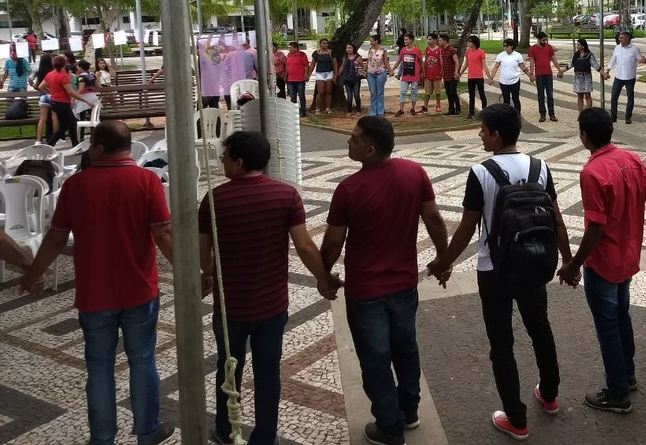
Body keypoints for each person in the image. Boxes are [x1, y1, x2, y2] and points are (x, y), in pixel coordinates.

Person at [19, 120, 175, 445]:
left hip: (94, 296)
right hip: (139, 291)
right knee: (143, 360)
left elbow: (56, 238)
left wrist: (35, 272)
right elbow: (162, 234)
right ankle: (148, 431)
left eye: (92, 145)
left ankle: (102, 439)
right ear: (128, 147)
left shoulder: (77, 186)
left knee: (99, 369)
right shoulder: (147, 181)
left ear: (99, 148)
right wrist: (194, 273)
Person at [426, 104, 572, 440]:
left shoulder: (481, 172)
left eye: (482, 130)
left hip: (494, 269)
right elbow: (557, 218)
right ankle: (549, 396)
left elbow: (466, 228)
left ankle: (516, 420)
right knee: (540, 328)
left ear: (495, 135)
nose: (479, 134)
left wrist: (444, 261)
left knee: (501, 343)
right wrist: (567, 260)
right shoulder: (540, 166)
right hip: (535, 262)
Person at [199, 131, 340, 445]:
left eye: (224, 157)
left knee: (228, 369)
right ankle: (264, 438)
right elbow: (304, 246)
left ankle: (224, 430)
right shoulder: (286, 195)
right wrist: (324, 279)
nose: (221, 161)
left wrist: (208, 274)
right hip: (272, 307)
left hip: (230, 308)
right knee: (267, 373)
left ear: (238, 162)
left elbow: (204, 255)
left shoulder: (214, 199)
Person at [321, 117, 450, 445]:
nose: (347, 143)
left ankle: (390, 427)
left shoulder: (348, 190)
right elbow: (433, 217)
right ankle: (409, 411)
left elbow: (334, 242)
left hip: (366, 293)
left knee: (375, 358)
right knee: (406, 349)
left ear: (370, 148)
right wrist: (443, 258)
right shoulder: (414, 173)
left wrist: (325, 274)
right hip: (405, 285)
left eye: (352, 139)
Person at [557, 109, 646, 413]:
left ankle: (618, 393)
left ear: (584, 136)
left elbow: (596, 226)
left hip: (604, 262)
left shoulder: (592, 173)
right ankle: (627, 375)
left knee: (608, 326)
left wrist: (573, 264)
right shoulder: (631, 159)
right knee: (621, 317)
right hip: (628, 257)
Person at [42, 54, 92, 147]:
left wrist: (51, 93)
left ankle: (75, 144)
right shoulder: (63, 76)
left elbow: (41, 86)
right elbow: (71, 92)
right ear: (64, 64)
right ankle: (49, 145)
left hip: (54, 102)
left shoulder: (50, 74)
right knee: (63, 127)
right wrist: (87, 101)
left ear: (53, 64)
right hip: (63, 104)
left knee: (72, 123)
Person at [603, 30, 645, 125]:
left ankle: (628, 116)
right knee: (614, 96)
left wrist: (643, 59)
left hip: (630, 77)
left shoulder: (635, 49)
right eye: (619, 38)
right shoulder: (617, 48)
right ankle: (613, 116)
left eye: (621, 38)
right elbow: (613, 60)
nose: (619, 39)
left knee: (630, 97)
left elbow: (639, 58)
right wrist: (607, 70)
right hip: (618, 76)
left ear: (627, 39)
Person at [526, 31, 563, 122]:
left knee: (550, 94)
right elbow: (532, 61)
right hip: (539, 74)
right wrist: (531, 73)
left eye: (546, 40)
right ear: (538, 39)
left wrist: (559, 69)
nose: (545, 42)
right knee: (541, 95)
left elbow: (553, 59)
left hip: (548, 73)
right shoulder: (533, 49)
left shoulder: (549, 47)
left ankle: (552, 113)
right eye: (543, 40)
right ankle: (542, 113)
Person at [489, 38, 528, 114]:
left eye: (507, 46)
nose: (505, 47)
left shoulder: (517, 55)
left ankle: (517, 114)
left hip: (515, 81)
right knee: (506, 100)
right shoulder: (501, 55)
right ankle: (506, 115)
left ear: (512, 46)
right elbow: (496, 67)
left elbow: (523, 66)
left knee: (515, 98)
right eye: (504, 46)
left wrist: (530, 75)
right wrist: (491, 77)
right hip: (504, 81)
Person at [459, 35, 490, 120]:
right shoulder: (468, 52)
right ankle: (471, 113)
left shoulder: (481, 52)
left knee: (481, 94)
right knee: (471, 96)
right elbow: (466, 64)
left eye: (470, 42)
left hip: (479, 76)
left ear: (474, 43)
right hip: (470, 77)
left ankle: (484, 112)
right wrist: (460, 73)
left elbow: (484, 65)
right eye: (468, 41)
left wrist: (489, 77)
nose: (468, 43)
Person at [392, 33, 423, 116]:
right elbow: (399, 61)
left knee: (414, 91)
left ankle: (413, 108)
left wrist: (422, 72)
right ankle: (401, 109)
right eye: (404, 39)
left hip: (415, 75)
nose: (405, 41)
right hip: (405, 75)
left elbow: (421, 62)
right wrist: (392, 69)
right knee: (403, 91)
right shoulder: (403, 50)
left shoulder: (417, 50)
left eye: (406, 39)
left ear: (411, 40)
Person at [570, 37, 602, 112]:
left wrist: (603, 73)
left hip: (586, 77)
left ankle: (589, 113)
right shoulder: (575, 55)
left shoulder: (589, 55)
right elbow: (570, 64)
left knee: (587, 95)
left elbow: (595, 65)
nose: (577, 46)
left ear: (583, 46)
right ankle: (581, 113)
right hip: (578, 77)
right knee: (579, 96)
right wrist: (561, 71)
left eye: (578, 45)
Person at [32, 52, 57, 142]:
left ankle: (38, 139)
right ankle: (55, 138)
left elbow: (37, 86)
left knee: (42, 119)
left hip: (43, 96)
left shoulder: (40, 74)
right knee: (54, 117)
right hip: (52, 95)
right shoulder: (53, 72)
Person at [365, 36, 392, 116]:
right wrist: (365, 69)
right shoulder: (370, 50)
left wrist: (390, 70)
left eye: (372, 41)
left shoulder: (383, 50)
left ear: (376, 41)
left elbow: (385, 61)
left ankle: (380, 111)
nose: (370, 42)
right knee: (373, 93)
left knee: (380, 93)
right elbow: (368, 60)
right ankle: (373, 111)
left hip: (381, 72)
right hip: (370, 73)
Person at [308, 38, 336, 114]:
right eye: (323, 43)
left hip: (329, 72)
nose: (325, 45)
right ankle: (318, 108)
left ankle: (328, 108)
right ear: (320, 44)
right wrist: (308, 75)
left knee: (329, 91)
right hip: (319, 73)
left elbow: (334, 63)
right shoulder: (316, 53)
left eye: (326, 43)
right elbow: (312, 64)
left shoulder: (330, 52)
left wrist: (335, 75)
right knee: (320, 92)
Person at [438, 33, 461, 116]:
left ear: (445, 41)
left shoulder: (451, 50)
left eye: (440, 40)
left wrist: (456, 72)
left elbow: (456, 62)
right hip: (446, 74)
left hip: (452, 74)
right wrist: (441, 72)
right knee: (448, 92)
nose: (439, 42)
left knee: (453, 92)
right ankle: (451, 109)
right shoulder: (442, 50)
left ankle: (458, 108)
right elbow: (442, 62)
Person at [285, 42, 310, 117]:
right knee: (293, 96)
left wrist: (306, 75)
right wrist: (286, 76)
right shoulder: (289, 55)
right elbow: (287, 66)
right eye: (289, 48)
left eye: (290, 48)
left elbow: (306, 66)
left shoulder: (302, 55)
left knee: (301, 95)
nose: (289, 49)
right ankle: (294, 112)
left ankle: (303, 111)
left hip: (300, 79)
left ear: (295, 48)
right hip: (291, 79)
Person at [420, 33, 443, 114]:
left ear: (434, 40)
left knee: (438, 92)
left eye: (430, 39)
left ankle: (438, 105)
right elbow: (425, 61)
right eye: (428, 39)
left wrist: (441, 72)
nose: (428, 41)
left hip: (437, 74)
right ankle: (425, 106)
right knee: (427, 92)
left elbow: (441, 61)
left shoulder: (439, 50)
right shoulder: (427, 49)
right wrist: (423, 72)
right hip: (428, 74)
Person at [341, 43, 365, 116]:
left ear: (353, 48)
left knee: (356, 94)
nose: (348, 49)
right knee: (349, 95)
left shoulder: (358, 57)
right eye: (347, 48)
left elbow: (363, 66)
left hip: (356, 78)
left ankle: (358, 110)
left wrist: (364, 72)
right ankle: (349, 111)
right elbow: (342, 67)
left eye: (350, 48)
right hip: (347, 78)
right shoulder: (345, 57)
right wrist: (337, 75)